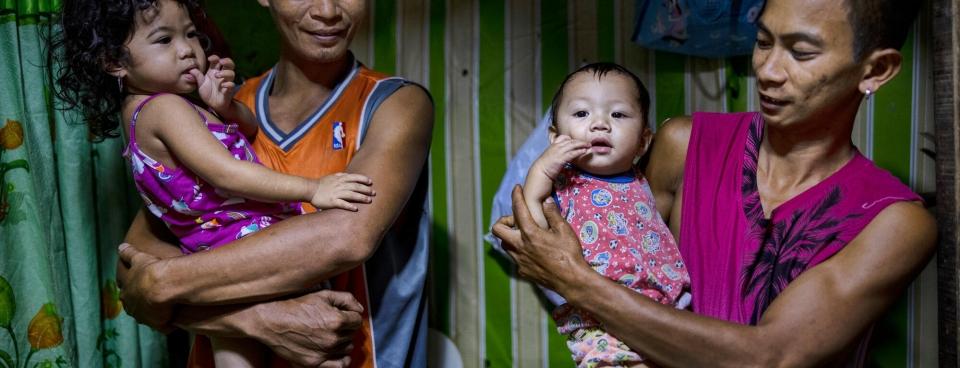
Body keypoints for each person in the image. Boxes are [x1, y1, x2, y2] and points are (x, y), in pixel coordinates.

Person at [493, 0, 936, 366]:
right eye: (763, 42)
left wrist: (575, 280)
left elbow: (771, 357)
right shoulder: (685, 145)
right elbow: (622, 258)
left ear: (875, 70)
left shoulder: (892, 221)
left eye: (801, 52)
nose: (768, 70)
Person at [92, 0, 433, 367]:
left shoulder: (395, 104)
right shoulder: (214, 112)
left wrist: (165, 286)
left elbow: (346, 235)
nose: (328, 10)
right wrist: (257, 320)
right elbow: (133, 273)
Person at [521, 62, 688, 368]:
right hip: (600, 320)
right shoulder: (564, 181)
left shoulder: (643, 179)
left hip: (667, 309)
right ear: (556, 136)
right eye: (582, 113)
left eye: (618, 114)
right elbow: (534, 223)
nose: (600, 124)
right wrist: (544, 167)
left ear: (643, 140)